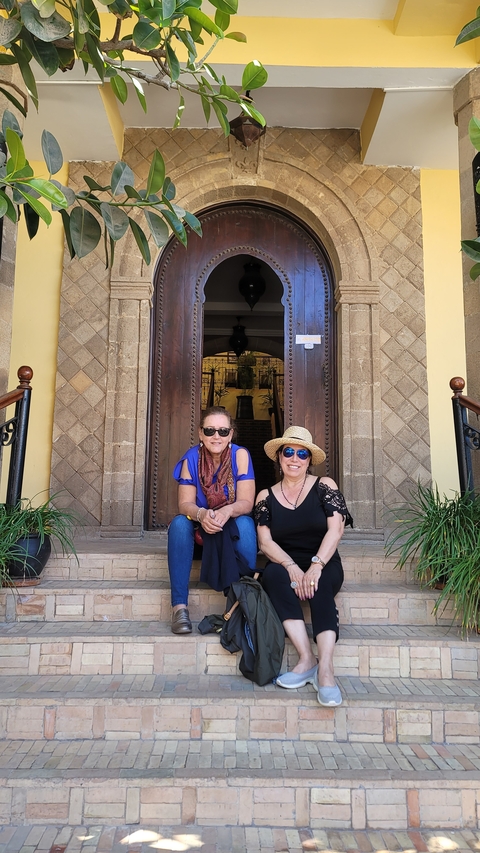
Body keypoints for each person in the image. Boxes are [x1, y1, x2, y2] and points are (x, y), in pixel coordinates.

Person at [254, 425, 353, 706]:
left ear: (309, 460)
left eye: (302, 453)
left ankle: (326, 669)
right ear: (280, 457)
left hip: (324, 560)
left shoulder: (325, 486)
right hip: (286, 562)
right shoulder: (265, 496)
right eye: (289, 452)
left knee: (319, 586)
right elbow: (265, 542)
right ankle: (307, 658)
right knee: (272, 576)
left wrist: (316, 565)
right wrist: (290, 566)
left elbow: (335, 531)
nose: (295, 458)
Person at [168, 406, 257, 634]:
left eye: (222, 431)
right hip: (201, 527)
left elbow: (247, 502)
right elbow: (185, 504)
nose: (216, 436)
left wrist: (227, 511)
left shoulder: (240, 455)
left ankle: (245, 604)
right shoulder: (192, 458)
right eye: (209, 430)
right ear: (200, 433)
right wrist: (201, 514)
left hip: (229, 526)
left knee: (246, 524)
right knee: (179, 523)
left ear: (231, 434)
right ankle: (179, 608)